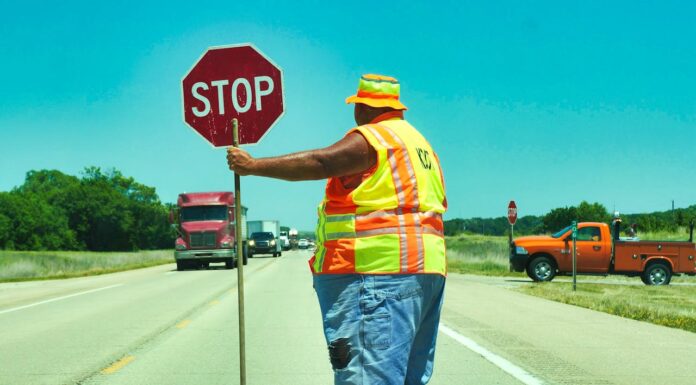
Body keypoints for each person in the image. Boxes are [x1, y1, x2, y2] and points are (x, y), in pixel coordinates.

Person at [227, 74, 447, 384]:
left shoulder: (374, 137)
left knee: (366, 377)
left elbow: (321, 162)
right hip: (426, 273)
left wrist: (253, 166)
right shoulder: (420, 146)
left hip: (377, 274)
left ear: (364, 108)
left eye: (356, 107)